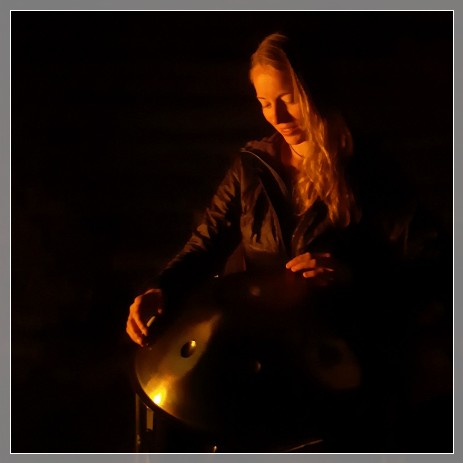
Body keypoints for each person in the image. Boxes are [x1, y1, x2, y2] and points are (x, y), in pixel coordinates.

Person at [126, 32, 451, 452]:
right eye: (263, 102)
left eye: (287, 98)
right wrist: (161, 289)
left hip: (340, 369)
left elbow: (434, 263)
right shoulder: (252, 168)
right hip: (262, 363)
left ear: (315, 90)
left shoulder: (367, 169)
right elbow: (204, 244)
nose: (276, 114)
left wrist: (353, 276)